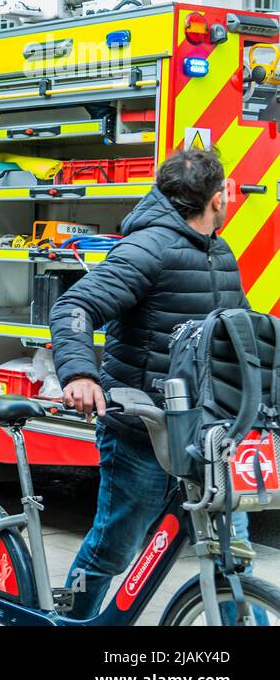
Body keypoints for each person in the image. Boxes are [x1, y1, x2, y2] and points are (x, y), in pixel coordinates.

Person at [49, 149, 252, 620]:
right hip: (143, 433)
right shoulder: (148, 249)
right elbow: (74, 307)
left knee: (233, 552)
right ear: (217, 199)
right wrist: (80, 373)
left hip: (205, 436)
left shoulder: (218, 252)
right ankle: (72, 617)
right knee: (113, 551)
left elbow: (238, 333)